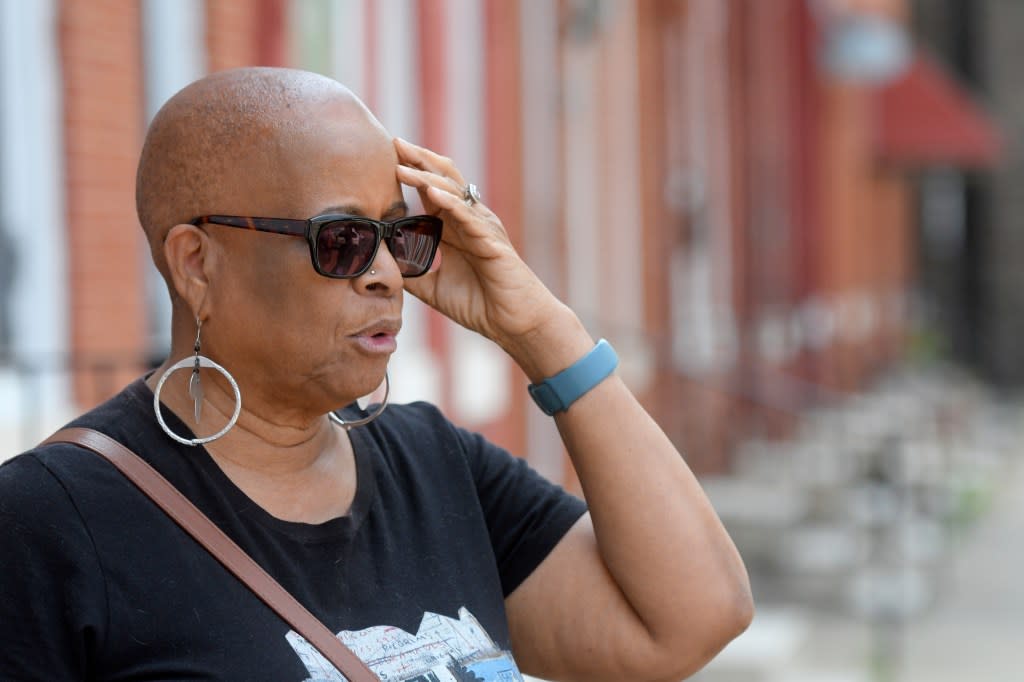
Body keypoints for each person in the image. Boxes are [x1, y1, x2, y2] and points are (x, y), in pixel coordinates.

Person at [0, 67, 752, 682]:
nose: (387, 273)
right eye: (344, 239)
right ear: (198, 264)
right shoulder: (51, 523)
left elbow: (691, 619)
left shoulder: (434, 465)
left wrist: (542, 333)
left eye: (402, 235)